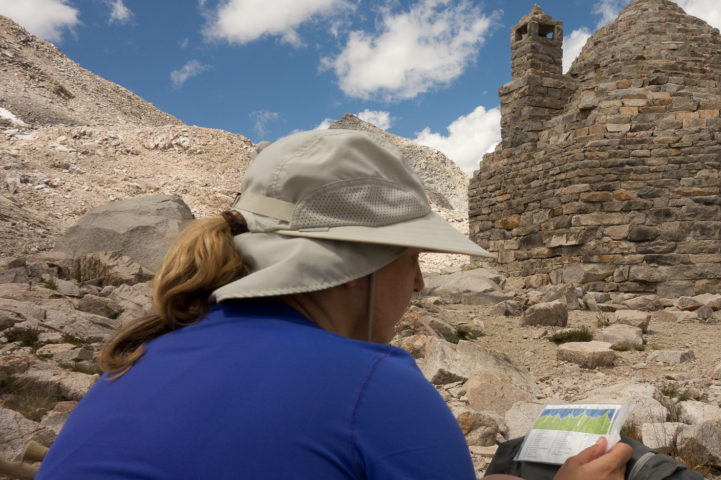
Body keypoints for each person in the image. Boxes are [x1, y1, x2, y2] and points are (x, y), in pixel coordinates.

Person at [37, 130, 632, 479]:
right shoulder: (373, 385)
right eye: (412, 260)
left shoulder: (142, 356)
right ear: (354, 271)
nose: (420, 285)